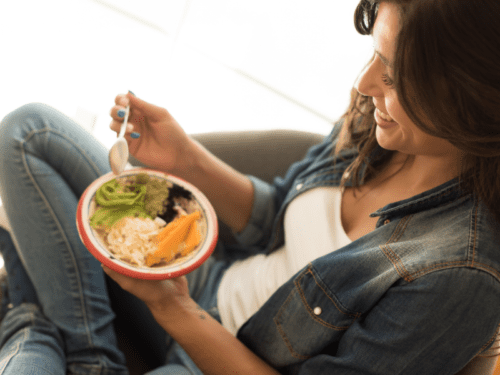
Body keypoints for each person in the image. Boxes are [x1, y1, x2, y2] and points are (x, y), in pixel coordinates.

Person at [0, 0, 499, 373]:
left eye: (394, 75)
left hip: (222, 357)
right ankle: (87, 353)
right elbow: (274, 220)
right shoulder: (379, 117)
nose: (365, 83)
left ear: (471, 99)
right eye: (374, 54)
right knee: (29, 132)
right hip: (205, 277)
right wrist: (185, 158)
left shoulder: (463, 276)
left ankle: (33, 326)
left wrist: (172, 309)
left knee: (28, 304)